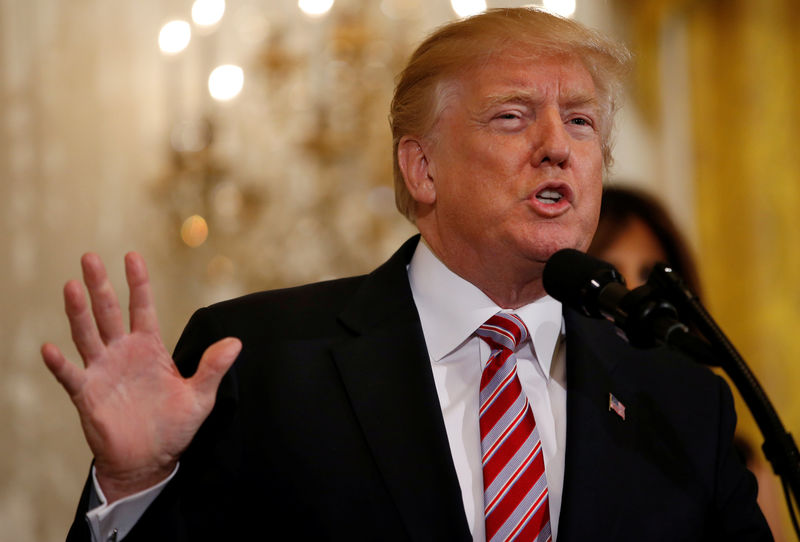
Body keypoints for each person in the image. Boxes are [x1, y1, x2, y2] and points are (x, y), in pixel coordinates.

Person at [42, 8, 772, 541]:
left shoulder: (678, 404)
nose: (558, 148)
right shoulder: (257, 362)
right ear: (422, 169)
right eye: (514, 117)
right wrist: (135, 487)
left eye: (581, 122)